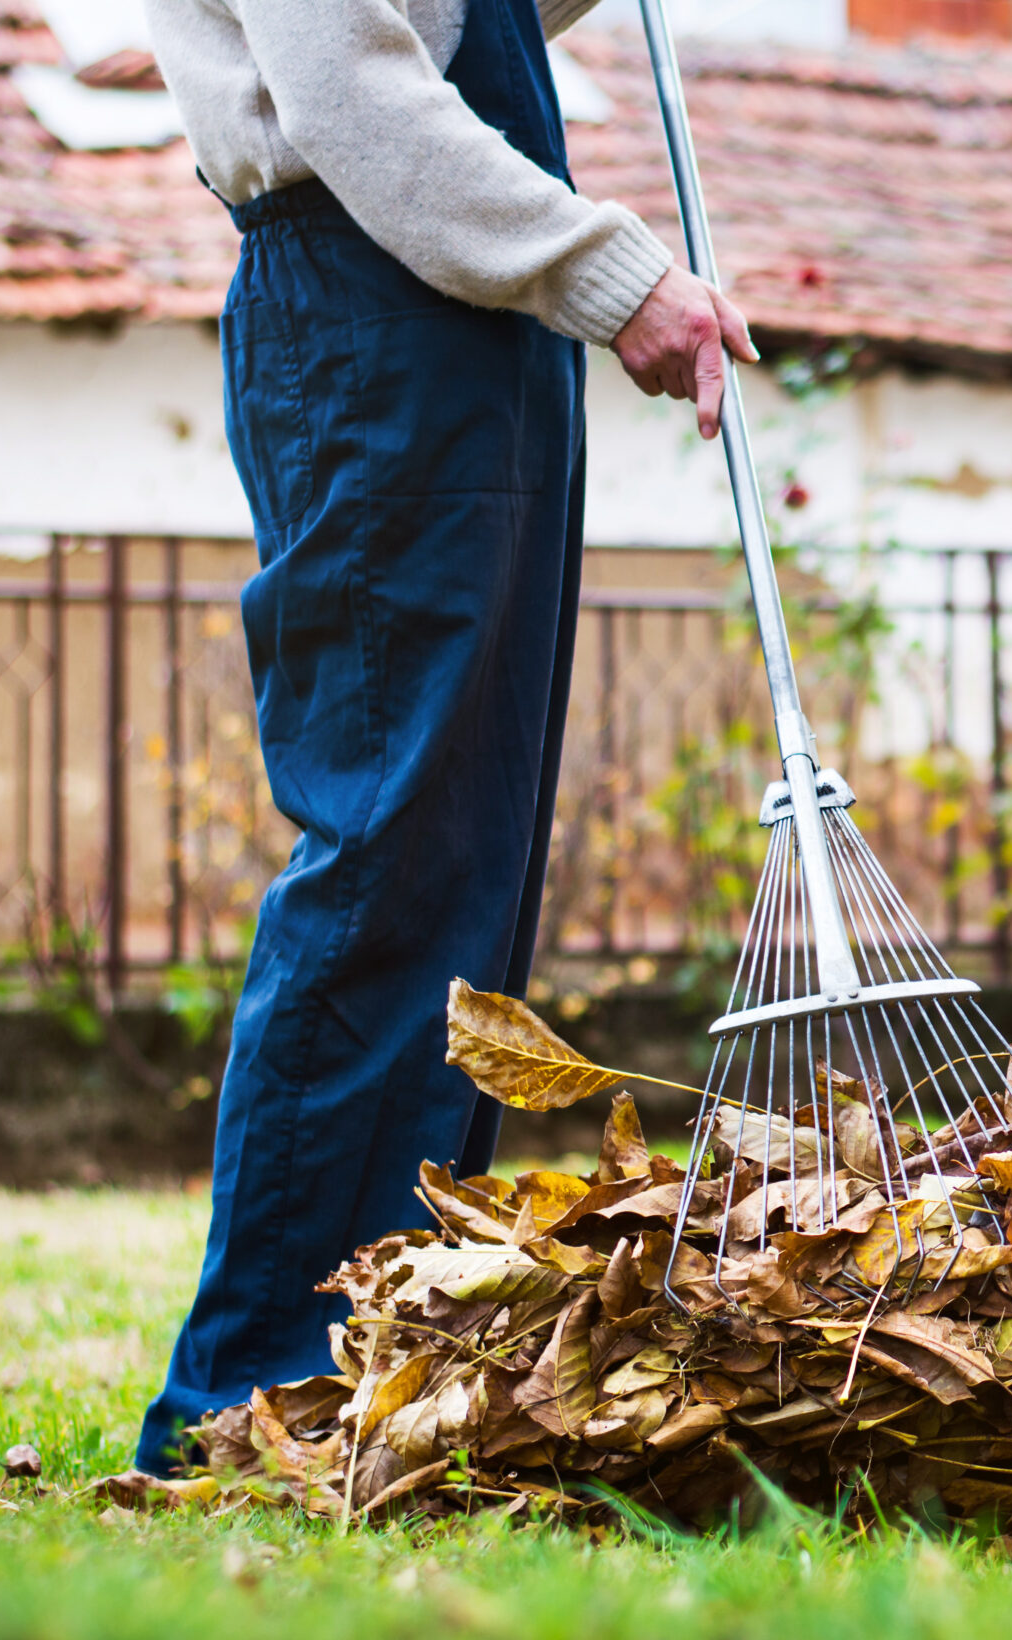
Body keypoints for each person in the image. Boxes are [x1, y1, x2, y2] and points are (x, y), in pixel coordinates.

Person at [133, 0, 753, 1470]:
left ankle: (386, 1349)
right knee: (391, 851)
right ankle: (253, 1387)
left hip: (459, 325)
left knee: (466, 862)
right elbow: (355, 95)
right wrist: (614, 274)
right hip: (372, 303)